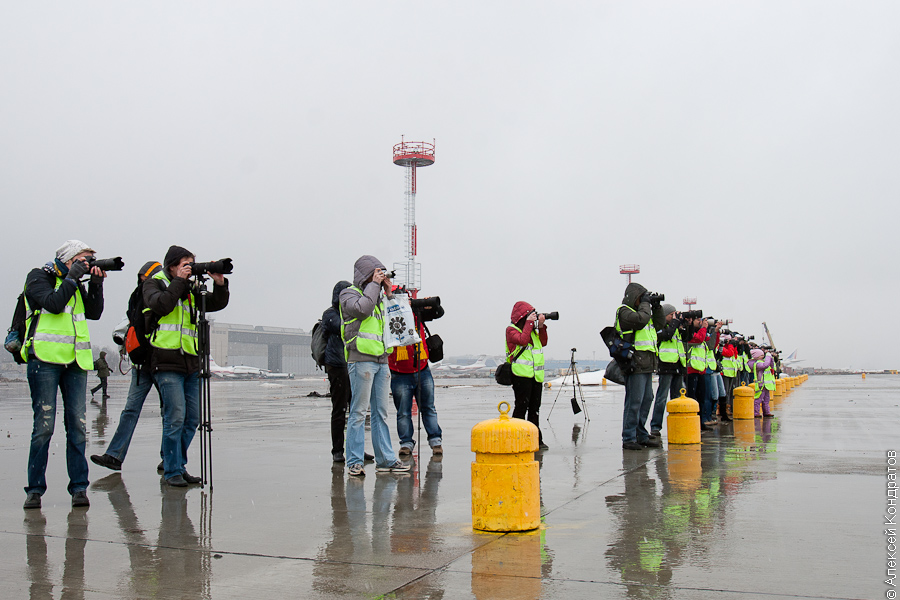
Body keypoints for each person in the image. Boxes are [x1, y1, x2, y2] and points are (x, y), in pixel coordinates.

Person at [22, 240, 106, 509]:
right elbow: (53, 304)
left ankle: (79, 488)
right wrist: (72, 278)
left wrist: (96, 284)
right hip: (44, 359)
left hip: (75, 362)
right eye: (84, 259)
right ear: (69, 259)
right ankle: (35, 490)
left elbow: (94, 313)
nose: (88, 264)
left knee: (78, 427)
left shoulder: (76, 283)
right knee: (44, 427)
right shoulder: (39, 276)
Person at [144, 246, 229, 487]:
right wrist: (179, 282)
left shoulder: (191, 288)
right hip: (166, 360)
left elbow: (214, 304)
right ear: (171, 266)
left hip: (191, 361)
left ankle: (178, 464)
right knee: (175, 418)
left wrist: (219, 284)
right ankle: (171, 470)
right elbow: (162, 305)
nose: (189, 269)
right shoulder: (154, 283)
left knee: (192, 419)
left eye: (191, 264)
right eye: (184, 264)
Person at [339, 255, 409, 477]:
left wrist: (388, 293)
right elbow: (362, 310)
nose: (379, 276)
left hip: (381, 359)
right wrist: (374, 285)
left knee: (381, 413)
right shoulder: (349, 294)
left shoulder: (378, 296)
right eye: (376, 272)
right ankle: (354, 461)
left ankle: (386, 459)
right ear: (365, 274)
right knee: (359, 412)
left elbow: (396, 318)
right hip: (360, 358)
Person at [90, 261, 163, 472]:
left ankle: (169, 460)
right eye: (142, 278)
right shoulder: (137, 297)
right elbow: (126, 324)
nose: (144, 281)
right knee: (132, 410)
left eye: (146, 278)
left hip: (160, 363)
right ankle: (114, 455)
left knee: (165, 413)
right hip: (142, 365)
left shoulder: (162, 297)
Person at [322, 280, 374, 463]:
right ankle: (337, 450)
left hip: (353, 363)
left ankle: (356, 449)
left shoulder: (345, 314)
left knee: (357, 409)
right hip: (337, 366)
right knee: (340, 409)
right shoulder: (330, 314)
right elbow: (344, 328)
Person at [390, 293, 444, 456]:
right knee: (403, 412)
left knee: (428, 408)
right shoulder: (386, 315)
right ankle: (406, 443)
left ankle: (436, 441)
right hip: (399, 371)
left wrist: (423, 303)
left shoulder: (416, 312)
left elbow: (439, 312)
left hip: (421, 368)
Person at [615, 283, 665, 450]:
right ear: (634, 296)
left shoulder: (643, 312)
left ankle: (641, 435)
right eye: (641, 297)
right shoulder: (624, 311)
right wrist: (645, 303)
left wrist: (656, 307)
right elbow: (641, 321)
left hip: (647, 363)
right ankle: (628, 437)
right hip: (634, 363)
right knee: (634, 401)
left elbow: (659, 324)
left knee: (647, 399)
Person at [506, 301, 550, 450]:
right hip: (520, 376)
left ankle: (536, 439)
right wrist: (530, 323)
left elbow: (543, 342)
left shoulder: (532, 332)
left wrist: (541, 326)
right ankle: (515, 439)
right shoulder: (511, 330)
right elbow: (522, 340)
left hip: (536, 376)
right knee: (521, 408)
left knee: (534, 409)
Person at [645, 304, 685, 438]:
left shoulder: (676, 327)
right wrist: (675, 322)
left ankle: (677, 423)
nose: (673, 317)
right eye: (671, 315)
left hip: (677, 364)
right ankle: (655, 426)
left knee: (677, 397)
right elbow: (666, 335)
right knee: (662, 397)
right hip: (665, 365)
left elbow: (687, 337)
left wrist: (687, 323)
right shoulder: (659, 326)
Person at [750, 348, 775, 418]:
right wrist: (768, 356)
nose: (763, 356)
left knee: (766, 399)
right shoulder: (757, 364)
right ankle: (756, 412)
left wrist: (771, 358)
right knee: (758, 399)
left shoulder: (762, 362)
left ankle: (767, 412)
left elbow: (771, 365)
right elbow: (765, 365)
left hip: (766, 384)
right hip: (760, 384)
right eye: (761, 355)